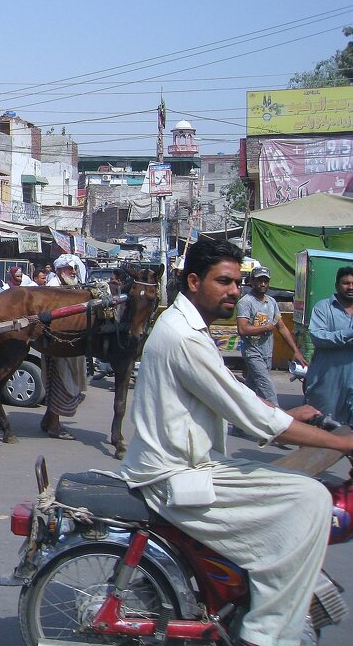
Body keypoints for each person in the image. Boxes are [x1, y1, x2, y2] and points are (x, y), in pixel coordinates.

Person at [119, 239, 353, 646]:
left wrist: (291, 413)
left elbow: (231, 394)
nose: (234, 291)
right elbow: (257, 418)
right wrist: (344, 444)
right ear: (194, 281)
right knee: (311, 499)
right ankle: (267, 633)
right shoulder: (184, 337)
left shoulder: (186, 325)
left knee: (290, 490)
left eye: (237, 282)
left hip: (187, 463)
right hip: (176, 474)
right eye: (224, 281)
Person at [236, 265, 306, 404]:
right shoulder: (246, 302)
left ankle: (243, 423)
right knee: (268, 389)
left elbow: (281, 327)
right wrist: (265, 328)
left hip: (267, 354)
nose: (262, 284)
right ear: (251, 281)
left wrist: (296, 351)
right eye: (259, 280)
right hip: (252, 353)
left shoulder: (271, 302)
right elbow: (242, 329)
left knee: (252, 390)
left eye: (265, 281)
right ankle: (279, 422)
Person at [39, 254, 89, 439]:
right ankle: (54, 425)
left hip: (70, 342)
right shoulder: (53, 290)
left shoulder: (72, 288)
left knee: (59, 381)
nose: (73, 271)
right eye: (69, 269)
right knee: (60, 381)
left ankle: (48, 420)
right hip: (57, 343)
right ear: (59, 271)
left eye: (74, 268)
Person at [303, 265, 353, 425]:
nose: (350, 287)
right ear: (337, 285)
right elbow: (318, 336)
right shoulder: (323, 308)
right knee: (320, 429)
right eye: (346, 283)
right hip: (327, 381)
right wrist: (348, 333)